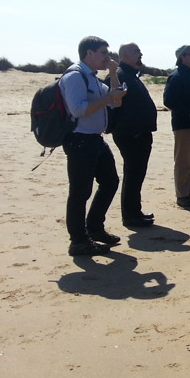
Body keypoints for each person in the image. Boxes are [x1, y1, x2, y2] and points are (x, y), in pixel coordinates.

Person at [59, 36, 127, 256]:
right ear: (89, 53)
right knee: (80, 192)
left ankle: (95, 228)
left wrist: (113, 74)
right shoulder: (75, 76)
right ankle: (78, 241)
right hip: (79, 140)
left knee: (110, 181)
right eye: (103, 53)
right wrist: (109, 97)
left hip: (95, 139)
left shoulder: (92, 78)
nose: (107, 58)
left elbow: (117, 102)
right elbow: (78, 109)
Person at [109, 43, 157, 226]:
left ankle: (134, 211)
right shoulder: (120, 75)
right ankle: (131, 215)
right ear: (123, 55)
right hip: (130, 134)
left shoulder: (131, 75)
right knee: (133, 174)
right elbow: (113, 103)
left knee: (137, 174)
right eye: (136, 51)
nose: (140, 54)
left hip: (139, 133)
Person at [163, 44, 190, 208]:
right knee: (183, 160)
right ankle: (182, 194)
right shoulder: (176, 76)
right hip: (183, 124)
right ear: (182, 57)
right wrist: (187, 112)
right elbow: (168, 100)